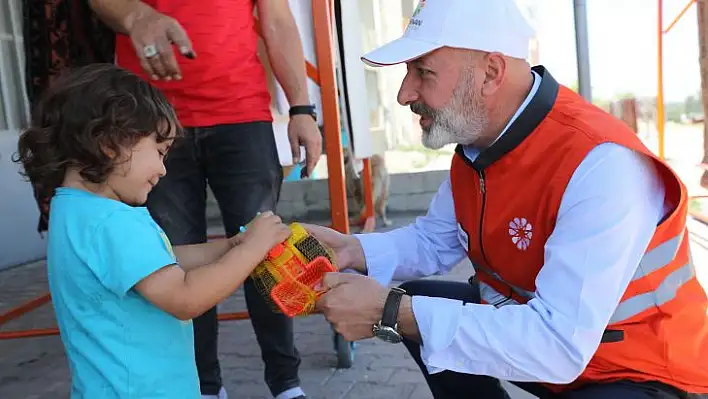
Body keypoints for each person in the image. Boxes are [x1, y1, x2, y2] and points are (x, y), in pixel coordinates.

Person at [304, 1, 708, 398]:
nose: (404, 94)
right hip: (552, 350)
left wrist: (389, 311)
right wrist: (351, 249)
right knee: (417, 303)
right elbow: (433, 241)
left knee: (408, 310)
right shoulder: (480, 146)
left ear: (490, 73)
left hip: (639, 369)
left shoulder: (601, 163)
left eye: (423, 72)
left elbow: (557, 346)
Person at [12, 63, 292, 399]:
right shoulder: (113, 222)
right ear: (111, 143)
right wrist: (252, 250)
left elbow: (162, 259)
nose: (162, 169)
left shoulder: (72, 210)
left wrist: (232, 245)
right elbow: (185, 297)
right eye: (159, 152)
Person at [87, 1, 322, 398]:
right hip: (150, 121)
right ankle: (203, 388)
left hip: (242, 113)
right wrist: (137, 16)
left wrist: (301, 107)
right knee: (169, 259)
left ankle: (286, 384)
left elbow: (278, 21)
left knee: (268, 252)